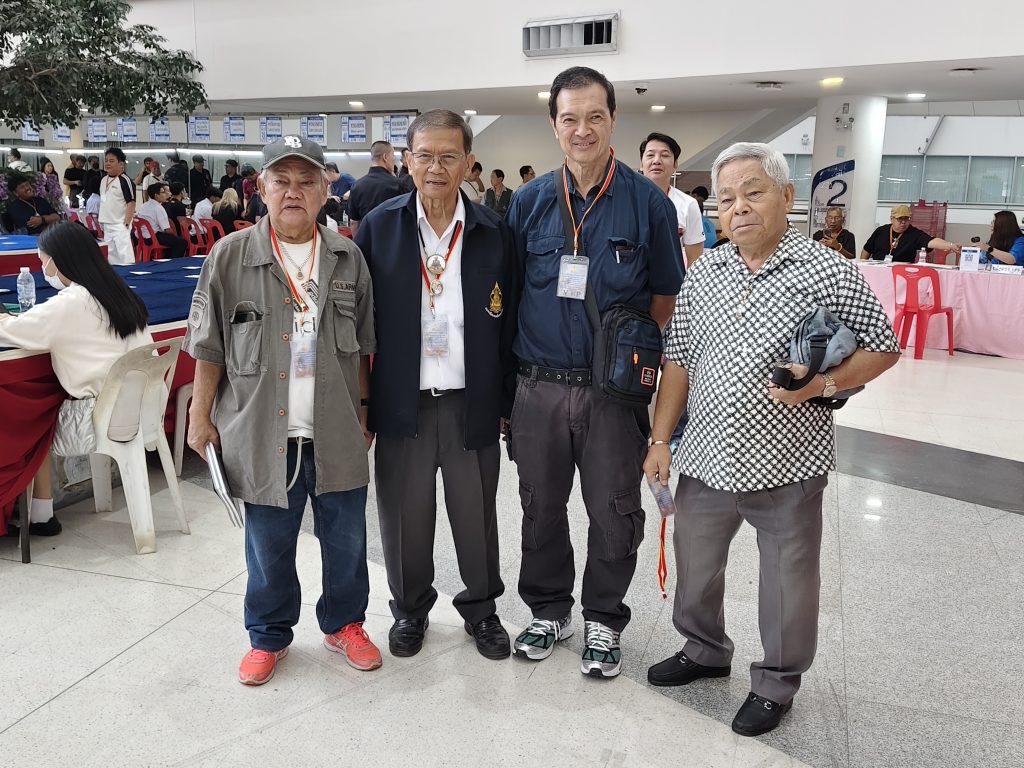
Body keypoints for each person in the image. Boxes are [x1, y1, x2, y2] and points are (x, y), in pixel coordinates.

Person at [643, 142, 900, 737]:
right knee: (695, 566)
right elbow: (678, 359)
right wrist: (660, 440)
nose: (739, 207)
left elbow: (882, 346)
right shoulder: (706, 271)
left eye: (753, 192)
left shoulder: (828, 269)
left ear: (786, 196)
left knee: (788, 580)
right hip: (706, 456)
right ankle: (704, 649)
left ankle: (777, 681)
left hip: (788, 462)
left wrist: (822, 385)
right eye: (726, 198)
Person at [505, 66, 684, 678]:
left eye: (595, 117)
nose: (582, 130)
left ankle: (604, 618)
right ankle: (549, 609)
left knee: (614, 510)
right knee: (540, 506)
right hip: (538, 386)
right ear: (554, 125)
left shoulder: (647, 203)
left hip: (613, 394)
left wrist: (625, 361)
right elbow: (510, 294)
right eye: (570, 119)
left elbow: (664, 297)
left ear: (613, 120)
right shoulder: (529, 203)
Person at [184, 134, 381, 686]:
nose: (293, 191)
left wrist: (365, 414)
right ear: (262, 188)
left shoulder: (347, 257)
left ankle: (345, 624)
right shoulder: (230, 256)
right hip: (260, 432)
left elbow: (363, 349)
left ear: (324, 191)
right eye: (282, 181)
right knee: (268, 546)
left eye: (306, 181)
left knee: (347, 540)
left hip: (335, 429)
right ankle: (268, 636)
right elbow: (208, 347)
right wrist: (200, 416)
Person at [354, 109, 519, 662]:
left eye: (449, 156)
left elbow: (511, 324)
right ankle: (410, 608)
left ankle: (482, 610)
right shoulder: (379, 228)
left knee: (477, 516)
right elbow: (356, 324)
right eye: (424, 155)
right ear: (407, 160)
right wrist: (363, 405)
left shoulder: (494, 232)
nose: (436, 167)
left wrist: (506, 403)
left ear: (469, 163)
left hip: (473, 400)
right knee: (404, 515)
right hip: (403, 403)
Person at [0, 222, 150, 537]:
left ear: (59, 260)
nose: (43, 270)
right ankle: (41, 515)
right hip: (143, 408)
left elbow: (15, 332)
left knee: (32, 417)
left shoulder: (71, 302)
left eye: (43, 262)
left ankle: (41, 515)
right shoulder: (119, 292)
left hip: (95, 416)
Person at [640, 132, 705, 266]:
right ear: (641, 164)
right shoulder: (624, 201)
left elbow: (695, 260)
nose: (656, 161)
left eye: (664, 155)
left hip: (670, 277)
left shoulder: (688, 205)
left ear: (675, 164)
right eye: (650, 155)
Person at [860, 204, 959, 262]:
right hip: (879, 270)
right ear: (891, 219)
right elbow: (866, 250)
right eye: (900, 219)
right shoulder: (881, 231)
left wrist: (950, 245)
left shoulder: (914, 234)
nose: (903, 222)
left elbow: (931, 241)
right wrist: (861, 267)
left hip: (901, 272)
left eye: (906, 219)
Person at [348, 141, 401, 236]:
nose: (394, 160)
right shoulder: (398, 184)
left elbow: (354, 223)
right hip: (393, 240)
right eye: (393, 156)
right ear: (385, 157)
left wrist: (358, 243)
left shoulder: (357, 186)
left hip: (368, 240)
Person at [98, 147, 136, 265]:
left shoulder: (125, 180)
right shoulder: (103, 180)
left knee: (125, 257)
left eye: (111, 161)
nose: (108, 163)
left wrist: (126, 224)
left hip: (120, 224)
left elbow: (131, 203)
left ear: (121, 164)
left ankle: (129, 275)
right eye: (106, 161)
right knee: (111, 257)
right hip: (107, 224)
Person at [136, 182, 188, 258]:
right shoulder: (158, 208)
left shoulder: (144, 205)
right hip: (153, 237)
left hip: (142, 236)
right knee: (182, 242)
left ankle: (166, 258)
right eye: (163, 192)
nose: (165, 194)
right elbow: (167, 229)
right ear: (156, 195)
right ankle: (173, 262)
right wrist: (176, 236)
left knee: (171, 239)